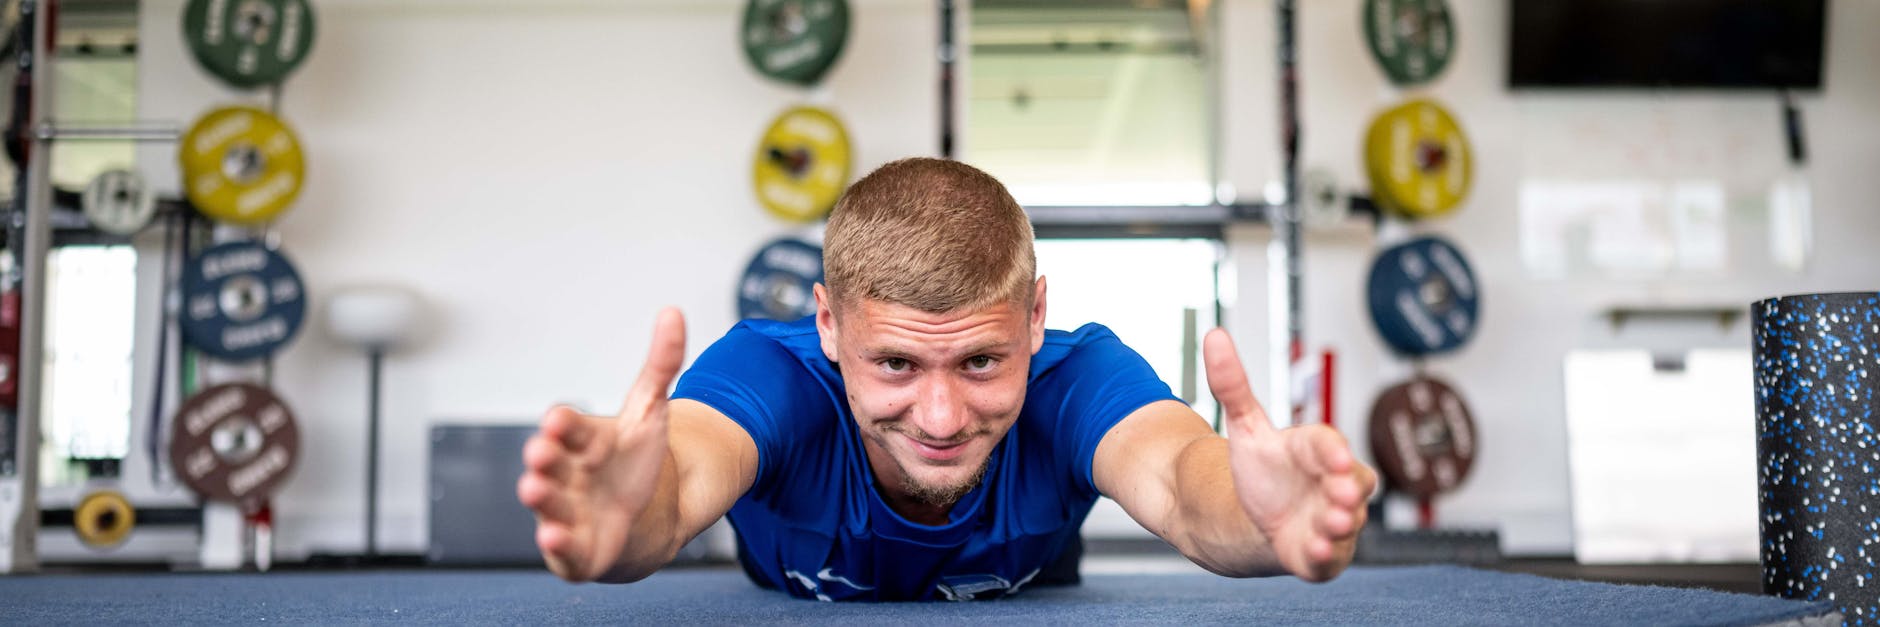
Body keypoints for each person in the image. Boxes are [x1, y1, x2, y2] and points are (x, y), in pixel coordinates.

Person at [516, 158, 1377, 601]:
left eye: (980, 360)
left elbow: (1187, 484)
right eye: (894, 362)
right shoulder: (771, 373)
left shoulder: (1076, 377)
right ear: (827, 324)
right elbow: (678, 481)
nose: (939, 415)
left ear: (1035, 319)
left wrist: (1260, 521)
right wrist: (630, 525)